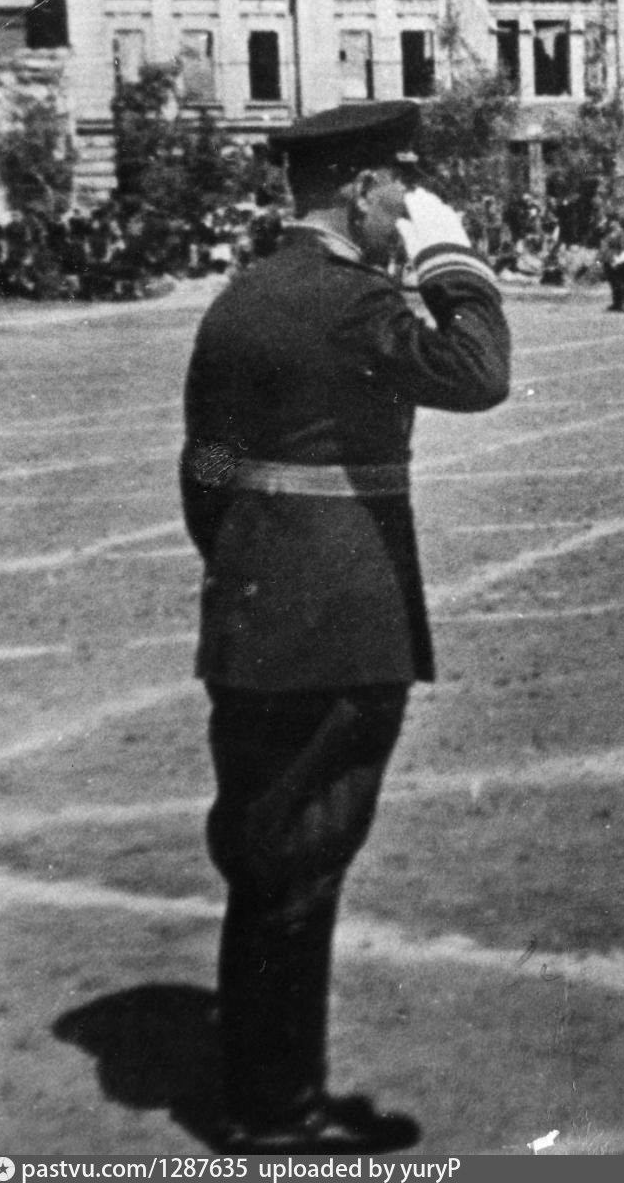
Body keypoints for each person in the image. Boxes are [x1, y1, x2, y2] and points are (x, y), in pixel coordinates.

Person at [180, 100, 511, 1150]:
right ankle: (274, 1110)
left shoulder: (240, 298)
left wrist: (254, 563)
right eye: (397, 189)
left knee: (271, 854)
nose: (405, 205)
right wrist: (450, 254)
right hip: (338, 618)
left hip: (257, 610)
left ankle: (276, 1091)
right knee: (304, 857)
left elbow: (208, 473)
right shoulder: (348, 301)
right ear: (359, 191)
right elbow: (480, 373)